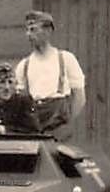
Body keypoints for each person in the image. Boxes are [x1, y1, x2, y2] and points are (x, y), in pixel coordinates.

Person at [14, 9, 86, 140]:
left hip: (58, 122)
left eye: (33, 30)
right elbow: (20, 101)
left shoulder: (65, 59)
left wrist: (68, 123)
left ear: (47, 31)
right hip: (33, 123)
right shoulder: (23, 65)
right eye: (27, 30)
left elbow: (80, 97)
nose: (28, 34)